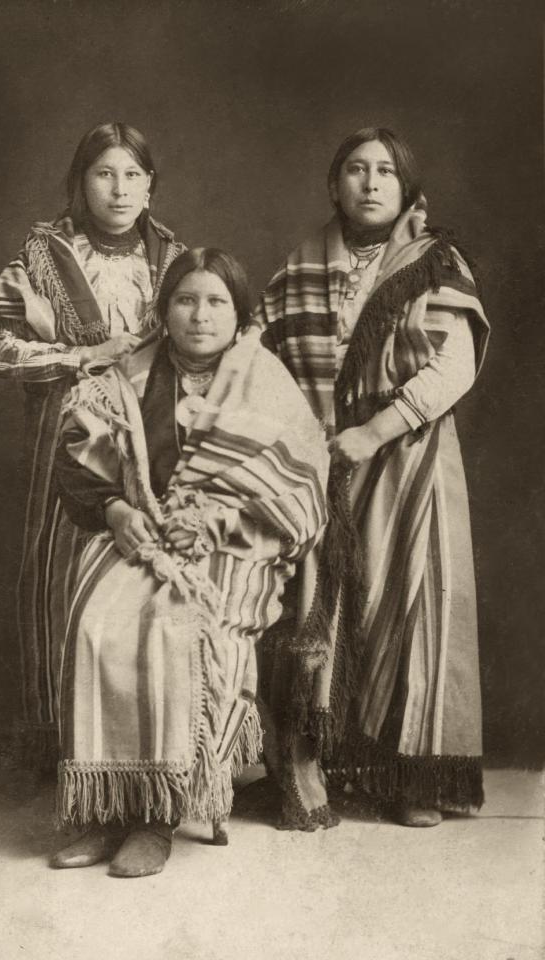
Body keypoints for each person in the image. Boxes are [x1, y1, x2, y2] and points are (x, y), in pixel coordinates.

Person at [50, 248, 330, 876]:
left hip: (235, 543)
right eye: (185, 299)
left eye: (215, 302)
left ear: (239, 314)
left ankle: (157, 815)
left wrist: (212, 521)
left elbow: (302, 488)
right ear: (164, 308)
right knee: (97, 620)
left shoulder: (264, 378)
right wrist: (119, 513)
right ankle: (105, 809)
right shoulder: (127, 374)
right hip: (142, 531)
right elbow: (76, 461)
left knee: (173, 626)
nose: (199, 315)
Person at [256, 127, 489, 828]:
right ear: (334, 185)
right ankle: (330, 764)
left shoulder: (433, 262)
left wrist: (374, 430)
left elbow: (454, 365)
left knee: (412, 605)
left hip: (407, 452)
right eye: (355, 169)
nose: (370, 182)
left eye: (385, 170)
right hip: (320, 459)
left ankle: (413, 778)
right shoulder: (299, 267)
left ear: (405, 187)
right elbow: (256, 356)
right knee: (324, 608)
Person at [0, 123, 185, 766]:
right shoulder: (42, 256)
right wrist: (84, 356)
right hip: (64, 436)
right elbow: (1, 347)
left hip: (155, 440)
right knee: (62, 574)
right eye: (104, 174)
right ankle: (70, 746)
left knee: (147, 577)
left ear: (151, 186)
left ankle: (145, 748)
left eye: (132, 175)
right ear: (81, 181)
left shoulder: (176, 260)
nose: (119, 189)